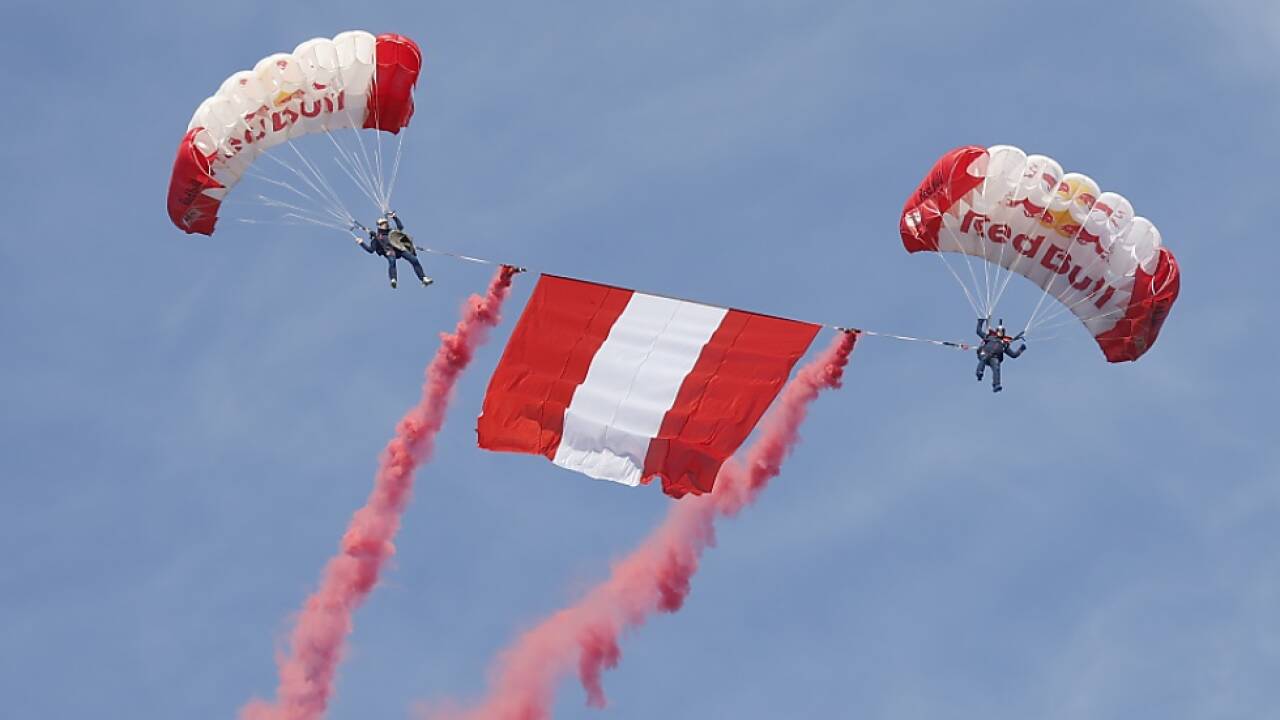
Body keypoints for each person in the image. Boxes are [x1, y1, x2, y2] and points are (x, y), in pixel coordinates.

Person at [355, 211, 433, 289]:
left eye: (385, 223)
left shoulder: (392, 232)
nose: (385, 224)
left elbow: (400, 227)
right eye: (382, 223)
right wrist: (361, 243)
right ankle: (393, 279)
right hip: (390, 251)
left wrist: (394, 217)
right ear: (379, 226)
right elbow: (371, 250)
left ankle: (423, 278)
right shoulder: (377, 238)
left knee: (414, 260)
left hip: (400, 249)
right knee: (392, 261)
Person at [974, 318, 1026, 393]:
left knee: (996, 367)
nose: (1000, 333)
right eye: (999, 331)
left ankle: (996, 385)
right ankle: (979, 372)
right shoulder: (989, 337)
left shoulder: (1004, 344)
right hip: (985, 353)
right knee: (984, 358)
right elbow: (978, 331)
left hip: (994, 358)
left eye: (1001, 332)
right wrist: (980, 322)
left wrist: (1021, 349)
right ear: (997, 331)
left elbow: (1013, 355)